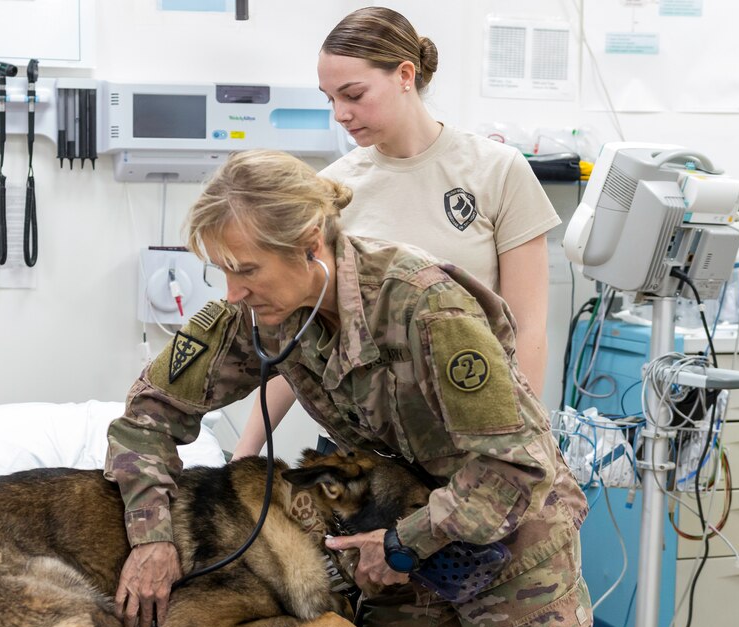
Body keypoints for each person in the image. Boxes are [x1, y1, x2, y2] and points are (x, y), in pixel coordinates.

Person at [106, 149, 604, 627]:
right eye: (223, 270)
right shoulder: (258, 313)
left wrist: (401, 543)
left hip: (508, 535)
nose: (233, 291)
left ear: (310, 244)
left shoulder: (426, 309)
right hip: (393, 542)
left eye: (246, 268)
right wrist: (151, 535)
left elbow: (518, 465)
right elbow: (145, 417)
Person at [231, 6, 559, 460]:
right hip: (363, 453)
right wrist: (245, 453)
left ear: (405, 74)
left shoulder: (496, 172)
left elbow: (528, 329)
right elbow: (303, 342)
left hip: (466, 439)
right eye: (330, 99)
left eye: (353, 94)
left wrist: (520, 452)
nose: (341, 114)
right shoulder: (333, 190)